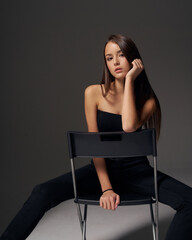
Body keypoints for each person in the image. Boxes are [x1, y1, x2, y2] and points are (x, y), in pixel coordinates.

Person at [0, 34, 192, 240]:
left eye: (121, 55)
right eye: (109, 58)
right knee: (41, 192)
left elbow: (128, 126)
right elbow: (94, 145)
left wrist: (129, 80)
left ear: (134, 59)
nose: (115, 62)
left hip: (137, 173)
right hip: (100, 171)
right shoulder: (93, 93)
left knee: (189, 200)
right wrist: (106, 188)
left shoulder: (148, 101)